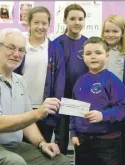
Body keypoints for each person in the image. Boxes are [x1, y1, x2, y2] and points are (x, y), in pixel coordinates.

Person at [0, 28, 71, 165]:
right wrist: (38, 113)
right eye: (11, 48)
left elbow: (27, 121)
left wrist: (42, 143)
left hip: (11, 146)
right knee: (14, 162)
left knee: (60, 161)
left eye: (21, 50)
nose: (16, 54)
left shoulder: (20, 81)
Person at [70, 37, 125, 165]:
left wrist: (103, 115)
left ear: (107, 56)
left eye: (98, 53)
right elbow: (73, 110)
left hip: (107, 143)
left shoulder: (113, 81)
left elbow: (123, 108)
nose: (93, 57)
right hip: (82, 141)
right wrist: (73, 133)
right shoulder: (80, 81)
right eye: (88, 53)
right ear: (83, 57)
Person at [14, 6, 65, 144]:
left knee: (41, 150)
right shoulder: (19, 46)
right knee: (19, 150)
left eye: (44, 23)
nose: (40, 27)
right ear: (29, 23)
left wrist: (53, 109)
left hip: (44, 110)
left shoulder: (55, 49)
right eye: (36, 22)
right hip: (20, 109)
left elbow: (60, 80)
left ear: (49, 24)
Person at [101, 14, 125, 165]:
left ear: (123, 33)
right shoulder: (99, 50)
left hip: (122, 106)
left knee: (121, 146)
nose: (110, 35)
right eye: (107, 31)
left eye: (115, 31)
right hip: (102, 104)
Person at [53, 4, 87, 155]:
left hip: (81, 99)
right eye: (72, 18)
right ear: (65, 20)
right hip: (61, 98)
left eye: (80, 19)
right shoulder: (56, 44)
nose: (77, 22)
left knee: (80, 138)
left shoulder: (88, 43)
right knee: (61, 139)